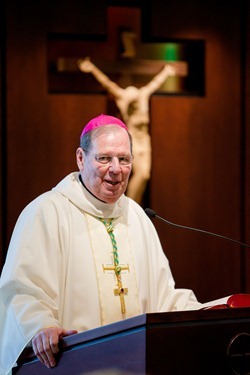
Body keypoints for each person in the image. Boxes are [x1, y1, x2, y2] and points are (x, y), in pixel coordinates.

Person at [0, 114, 201, 375]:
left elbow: (162, 296)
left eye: (124, 159)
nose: (116, 168)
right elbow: (22, 290)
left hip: (135, 365)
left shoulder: (137, 216)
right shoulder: (46, 211)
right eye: (104, 158)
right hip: (70, 365)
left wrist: (206, 312)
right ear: (81, 159)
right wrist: (40, 327)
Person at [78, 58, 185, 204]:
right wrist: (91, 68)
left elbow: (155, 83)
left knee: (144, 175)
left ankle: (135, 203)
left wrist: (166, 72)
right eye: (131, 103)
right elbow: (107, 83)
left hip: (144, 139)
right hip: (132, 139)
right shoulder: (122, 97)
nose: (134, 105)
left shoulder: (142, 95)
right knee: (132, 173)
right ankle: (130, 203)